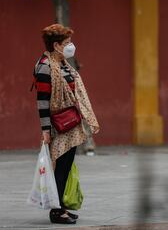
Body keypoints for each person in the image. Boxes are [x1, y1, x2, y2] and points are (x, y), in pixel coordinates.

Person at [33, 24, 99, 224]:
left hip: (70, 123)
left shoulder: (62, 63)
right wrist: (45, 130)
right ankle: (56, 212)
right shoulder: (45, 66)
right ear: (56, 45)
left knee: (66, 165)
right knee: (60, 167)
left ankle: (62, 207)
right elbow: (43, 102)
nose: (71, 46)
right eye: (67, 43)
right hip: (58, 125)